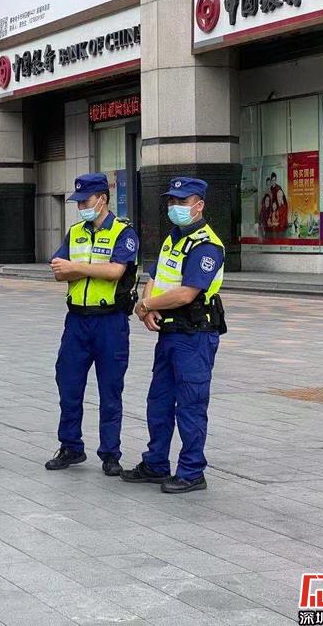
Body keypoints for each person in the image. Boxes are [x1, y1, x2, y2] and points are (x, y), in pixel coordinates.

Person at [122, 177, 227, 494]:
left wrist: (147, 305)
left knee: (191, 405)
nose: (175, 207)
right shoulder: (174, 238)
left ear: (199, 205)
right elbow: (155, 277)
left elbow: (186, 293)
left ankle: (192, 472)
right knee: (159, 402)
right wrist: (146, 306)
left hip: (194, 336)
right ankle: (155, 464)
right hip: (169, 333)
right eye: (171, 201)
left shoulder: (206, 246)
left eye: (182, 202)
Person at [45, 173, 139, 476]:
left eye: (85, 201)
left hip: (110, 322)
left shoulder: (123, 232)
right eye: (79, 203)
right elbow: (58, 271)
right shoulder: (75, 233)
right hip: (77, 322)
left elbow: (115, 272)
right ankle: (71, 446)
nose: (81, 207)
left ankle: (110, 454)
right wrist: (87, 269)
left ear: (102, 199)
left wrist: (76, 267)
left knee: (110, 390)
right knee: (68, 384)